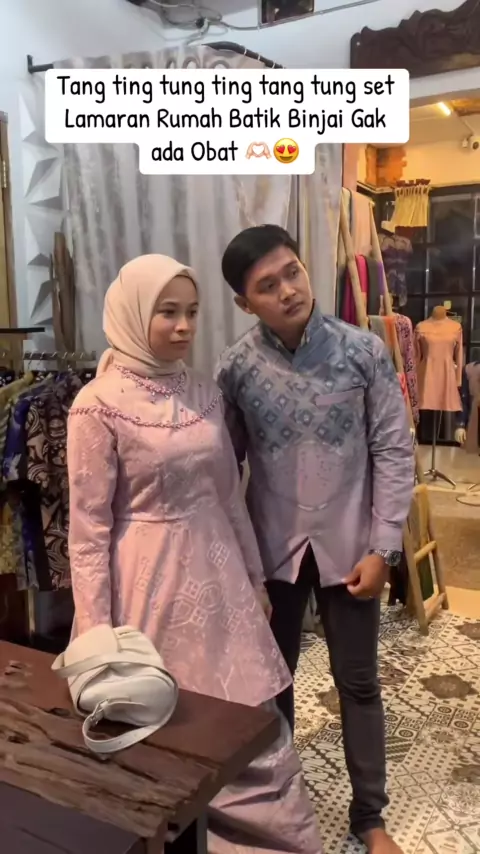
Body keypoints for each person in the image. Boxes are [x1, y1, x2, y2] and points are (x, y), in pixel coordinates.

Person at [66, 254, 323, 854]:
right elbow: (88, 531)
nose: (184, 326)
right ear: (134, 315)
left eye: (192, 312)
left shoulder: (204, 391)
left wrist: (254, 580)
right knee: (163, 728)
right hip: (145, 587)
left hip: (221, 579)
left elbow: (229, 496)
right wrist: (96, 629)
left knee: (247, 723)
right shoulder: (96, 406)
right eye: (167, 312)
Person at [215, 226, 415, 854]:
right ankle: (280, 807)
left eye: (292, 272)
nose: (288, 290)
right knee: (273, 687)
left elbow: (394, 450)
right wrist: (239, 566)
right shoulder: (236, 369)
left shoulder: (364, 351)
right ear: (245, 302)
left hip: (352, 549)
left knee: (358, 683)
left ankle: (370, 817)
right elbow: (223, 471)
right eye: (267, 285)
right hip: (272, 554)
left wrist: (384, 549)